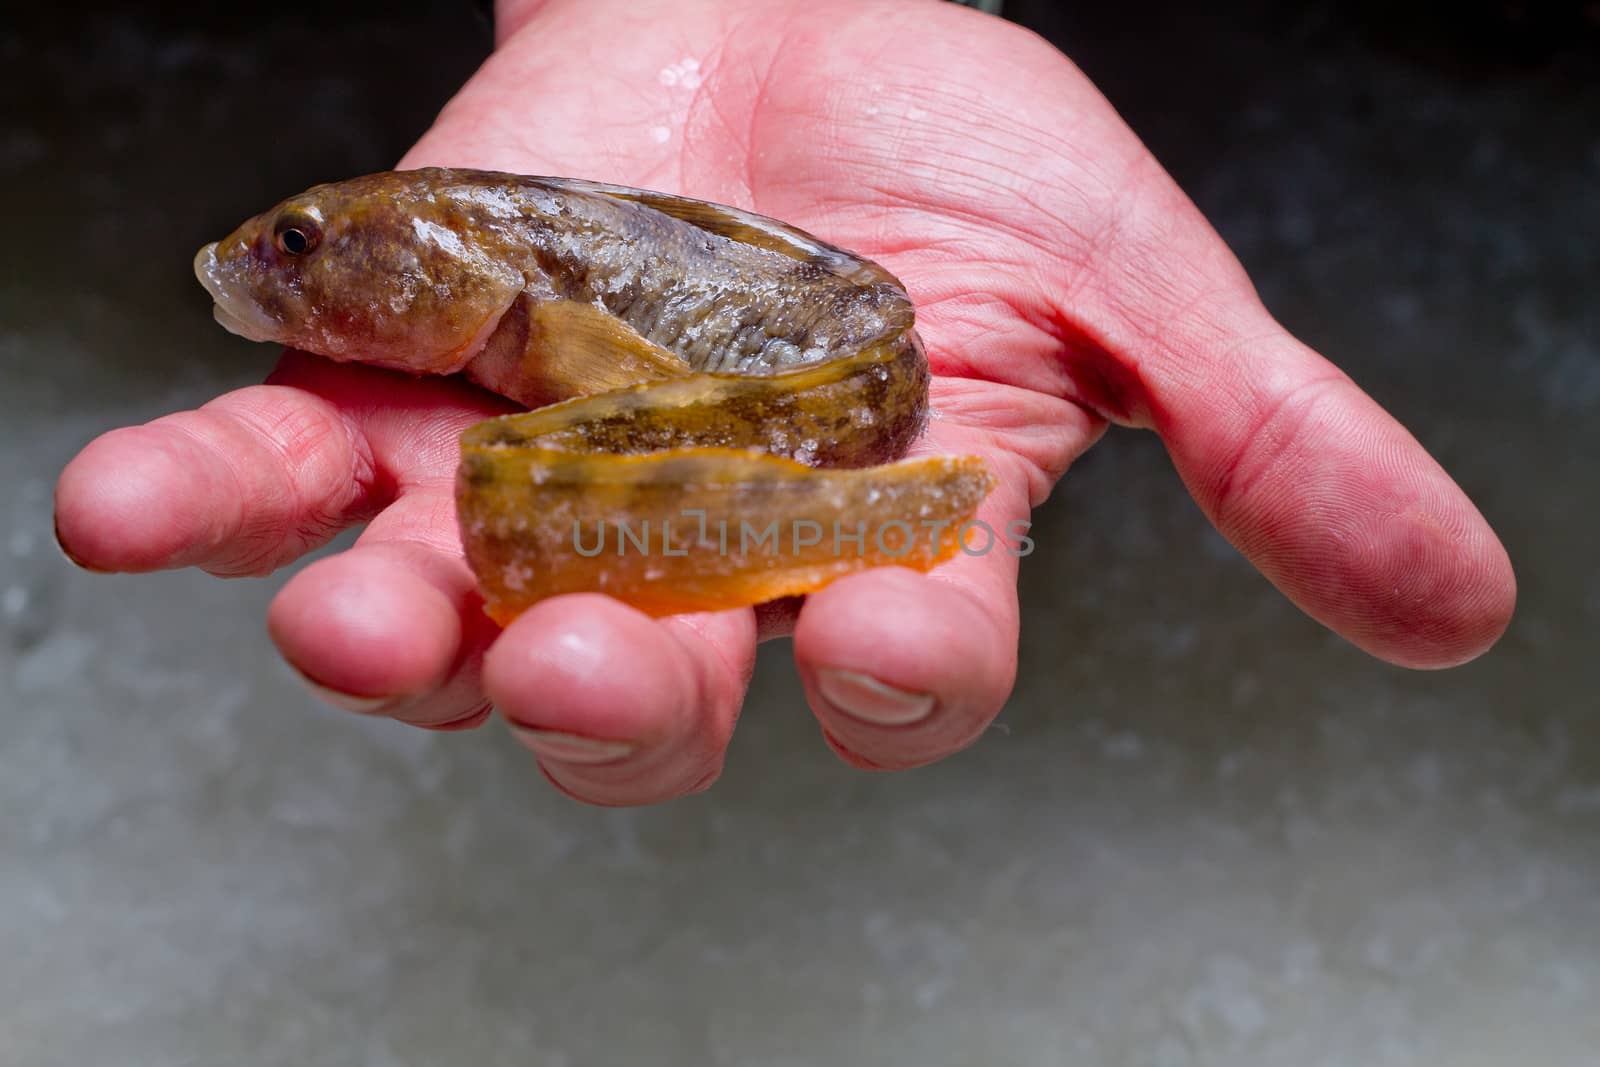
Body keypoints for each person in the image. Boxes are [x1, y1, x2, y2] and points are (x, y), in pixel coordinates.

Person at [53, 0, 1515, 806]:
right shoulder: (497, 284)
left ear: (468, 270)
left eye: (301, 253)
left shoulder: (540, 319)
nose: (262, 273)